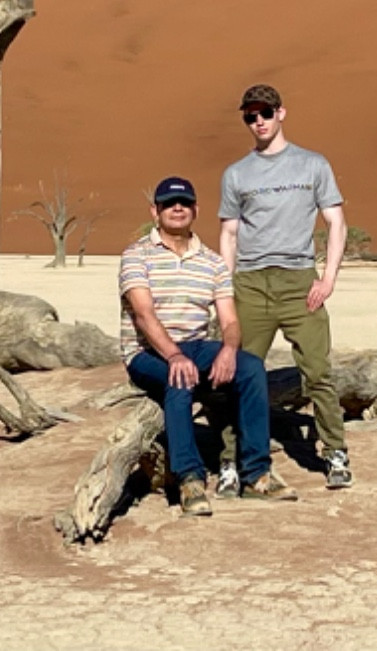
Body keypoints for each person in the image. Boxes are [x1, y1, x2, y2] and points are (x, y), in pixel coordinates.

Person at [120, 175, 295, 516]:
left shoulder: (213, 262)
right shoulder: (136, 255)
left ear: (196, 209)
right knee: (179, 379)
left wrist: (229, 350)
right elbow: (143, 315)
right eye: (169, 203)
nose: (177, 208)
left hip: (198, 344)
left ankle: (256, 474)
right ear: (155, 210)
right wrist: (173, 355)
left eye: (184, 202)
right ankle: (189, 478)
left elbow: (229, 321)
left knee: (251, 367)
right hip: (146, 353)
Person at [217, 83, 353, 494]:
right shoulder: (236, 173)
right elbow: (229, 235)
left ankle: (335, 453)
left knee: (318, 372)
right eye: (250, 116)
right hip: (251, 285)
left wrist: (327, 278)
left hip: (299, 283)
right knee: (236, 375)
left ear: (281, 114)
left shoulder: (313, 165)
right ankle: (230, 462)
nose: (258, 121)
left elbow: (337, 223)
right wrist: (226, 290)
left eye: (265, 113)